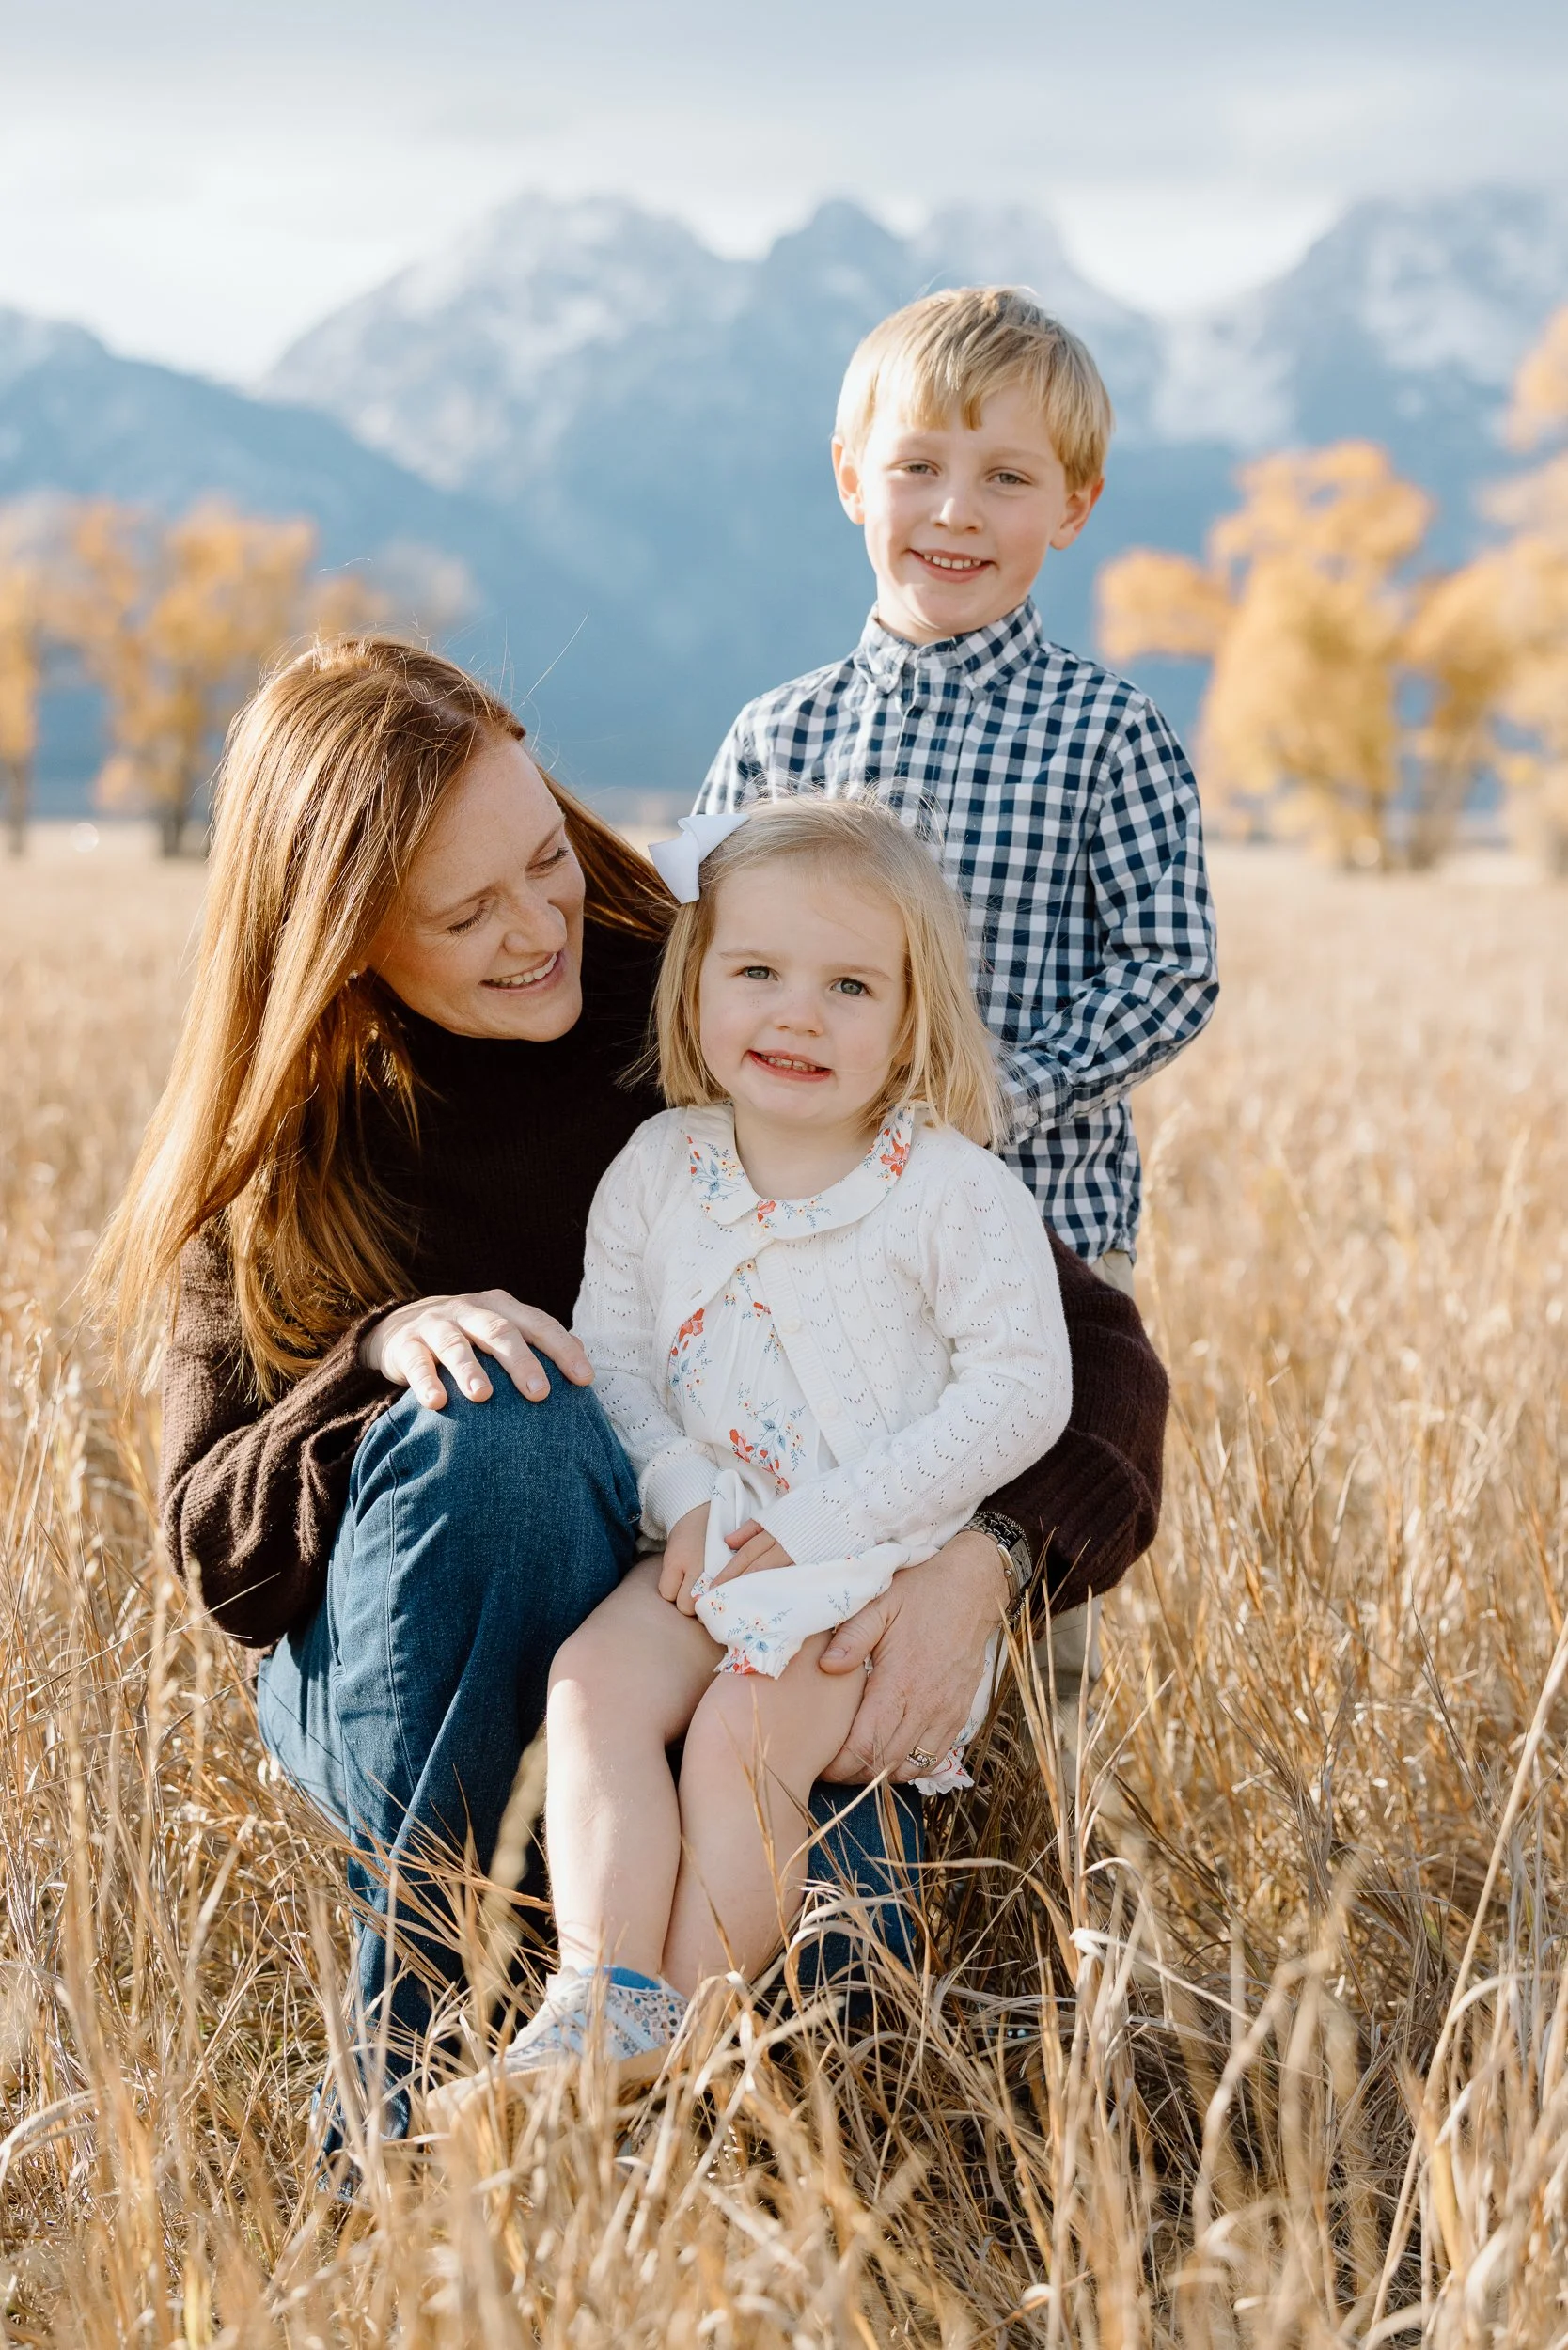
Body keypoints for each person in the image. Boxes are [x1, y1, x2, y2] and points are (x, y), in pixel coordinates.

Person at [91, 636, 1168, 2148]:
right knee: (504, 1421)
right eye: (467, 912)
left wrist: (983, 1568)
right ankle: (411, 2085)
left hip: (733, 1640)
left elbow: (1089, 1352)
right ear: (340, 940)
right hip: (440, 1702)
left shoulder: (709, 1005)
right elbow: (220, 1547)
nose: (544, 926)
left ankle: (618, 2055)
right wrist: (378, 1356)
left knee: (822, 2003)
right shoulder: (291, 1149)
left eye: (544, 857)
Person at [481, 798, 1073, 2084]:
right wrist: (689, 1492)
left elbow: (1023, 1389)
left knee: (744, 1750)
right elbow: (617, 1359)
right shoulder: (658, 1168)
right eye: (757, 973)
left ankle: (690, 2034)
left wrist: (815, 1530)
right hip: (706, 1545)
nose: (796, 1014)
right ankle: (604, 1994)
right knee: (592, 1689)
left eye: (850, 985)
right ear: (695, 986)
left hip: (860, 1576)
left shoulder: (950, 1191)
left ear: (914, 1021)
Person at [695, 282, 1218, 1700]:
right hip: (812, 1245)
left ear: (1076, 505)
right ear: (851, 475)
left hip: (1036, 1240)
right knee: (815, 1576)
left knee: (1022, 1609)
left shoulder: (1107, 731)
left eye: (1007, 478)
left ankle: (1035, 1887)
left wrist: (993, 1090)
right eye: (919, 464)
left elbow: (1171, 969)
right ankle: (826, 1875)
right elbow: (700, 962)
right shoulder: (779, 734)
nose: (955, 511)